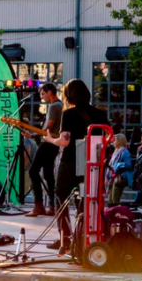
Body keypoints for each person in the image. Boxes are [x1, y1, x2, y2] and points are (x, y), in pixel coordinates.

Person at [43, 79, 110, 253]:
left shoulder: (69, 114)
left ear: (69, 95)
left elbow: (64, 141)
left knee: (62, 199)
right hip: (93, 165)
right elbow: (111, 137)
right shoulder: (100, 114)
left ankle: (65, 239)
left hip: (70, 163)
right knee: (87, 201)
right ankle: (84, 237)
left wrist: (50, 139)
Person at [25, 83, 63, 217]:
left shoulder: (54, 106)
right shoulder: (61, 105)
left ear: (50, 92)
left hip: (48, 143)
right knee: (48, 175)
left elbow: (49, 126)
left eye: (43, 94)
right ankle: (53, 206)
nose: (42, 97)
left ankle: (39, 205)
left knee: (33, 170)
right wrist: (34, 134)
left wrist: (35, 133)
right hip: (54, 143)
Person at [106, 134, 133, 206]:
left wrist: (117, 165)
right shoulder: (116, 151)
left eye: (115, 140)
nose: (113, 142)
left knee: (114, 199)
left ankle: (117, 215)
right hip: (113, 177)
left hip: (119, 177)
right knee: (110, 200)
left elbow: (128, 164)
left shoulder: (125, 152)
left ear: (120, 141)